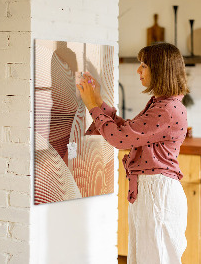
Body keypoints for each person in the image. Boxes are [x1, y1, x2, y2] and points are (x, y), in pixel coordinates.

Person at [76, 42, 189, 264]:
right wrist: (98, 102)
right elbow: (128, 131)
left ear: (160, 69)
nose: (138, 70)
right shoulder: (162, 104)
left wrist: (92, 106)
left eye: (144, 65)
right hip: (151, 191)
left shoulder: (166, 109)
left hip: (157, 193)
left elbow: (119, 139)